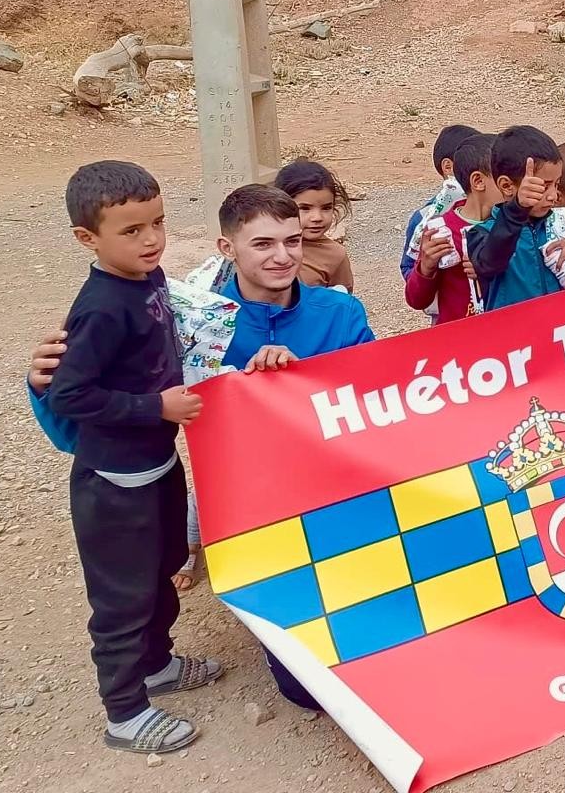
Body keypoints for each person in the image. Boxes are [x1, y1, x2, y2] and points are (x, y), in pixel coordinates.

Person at [28, 183, 376, 713]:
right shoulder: (190, 323)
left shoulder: (341, 314)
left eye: (292, 240)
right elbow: (77, 429)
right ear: (226, 248)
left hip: (348, 499)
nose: (282, 256)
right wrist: (42, 387)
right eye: (262, 244)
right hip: (255, 516)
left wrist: (303, 380)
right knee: (306, 693)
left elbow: (380, 406)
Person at [46, 160, 222, 754]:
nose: (151, 239)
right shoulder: (100, 307)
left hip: (159, 467)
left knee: (165, 567)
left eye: (158, 223)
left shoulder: (149, 278)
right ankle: (124, 710)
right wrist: (155, 408)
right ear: (87, 239)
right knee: (122, 598)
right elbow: (70, 394)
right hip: (113, 484)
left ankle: (156, 664)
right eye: (132, 230)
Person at [467, 125, 565, 311]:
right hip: (514, 337)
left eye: (556, 184)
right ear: (507, 186)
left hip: (561, 331)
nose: (552, 195)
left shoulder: (562, 226)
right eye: (543, 186)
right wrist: (517, 209)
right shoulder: (482, 234)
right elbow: (489, 264)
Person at [406, 133, 499, 324]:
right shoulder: (440, 231)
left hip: (511, 339)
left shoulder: (515, 224)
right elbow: (417, 300)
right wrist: (426, 267)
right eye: (505, 179)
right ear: (478, 181)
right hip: (459, 342)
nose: (513, 187)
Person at [399, 124, 482, 281]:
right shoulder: (424, 218)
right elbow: (408, 267)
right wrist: (427, 268)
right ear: (448, 167)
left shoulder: (491, 209)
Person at [274, 159, 355, 291]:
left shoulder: (335, 255)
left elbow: (342, 303)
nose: (317, 218)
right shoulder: (260, 245)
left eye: (326, 208)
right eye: (305, 208)